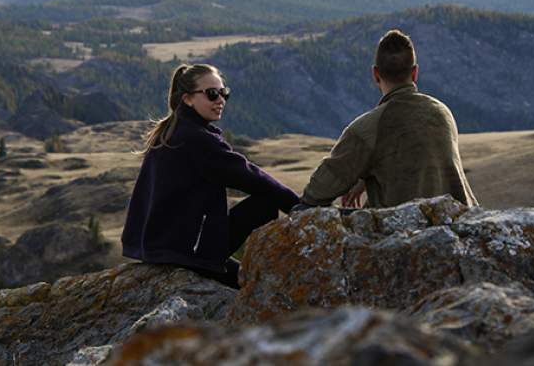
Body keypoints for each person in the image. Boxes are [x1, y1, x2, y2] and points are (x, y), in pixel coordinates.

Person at [121, 63, 298, 288]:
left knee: (246, 279)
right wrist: (299, 206)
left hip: (164, 246)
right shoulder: (195, 138)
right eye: (212, 94)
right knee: (265, 203)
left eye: (224, 93)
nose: (220, 100)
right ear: (187, 99)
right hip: (183, 251)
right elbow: (247, 175)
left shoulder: (173, 129)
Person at [297, 29, 479, 210]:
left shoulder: (367, 129)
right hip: (459, 217)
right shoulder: (442, 113)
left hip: (405, 226)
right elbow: (416, 157)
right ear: (415, 73)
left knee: (302, 212)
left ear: (376, 74)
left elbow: (316, 193)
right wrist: (364, 178)